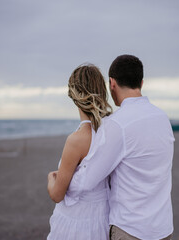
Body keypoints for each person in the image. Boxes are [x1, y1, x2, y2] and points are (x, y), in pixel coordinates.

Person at [68, 54, 175, 240]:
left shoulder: (117, 125)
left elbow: (87, 180)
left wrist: (59, 181)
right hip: (163, 229)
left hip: (131, 230)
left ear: (112, 83)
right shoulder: (162, 118)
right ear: (141, 83)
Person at [47, 64, 112, 240]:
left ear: (74, 96)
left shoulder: (76, 140)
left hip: (76, 223)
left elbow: (57, 194)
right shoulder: (112, 132)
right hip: (103, 220)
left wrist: (51, 179)